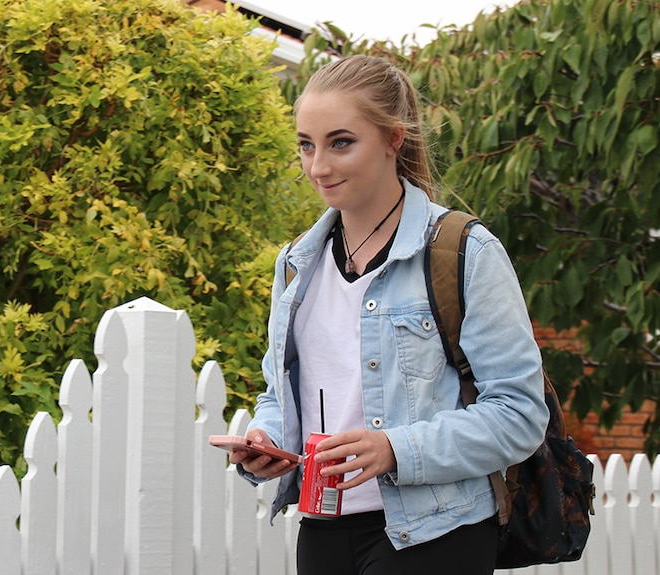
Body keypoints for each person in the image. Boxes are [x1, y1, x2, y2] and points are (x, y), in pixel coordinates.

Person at [228, 55, 549, 574]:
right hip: (323, 524)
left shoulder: (463, 251)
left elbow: (519, 413)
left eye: (341, 142)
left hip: (436, 532)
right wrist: (268, 441)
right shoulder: (295, 264)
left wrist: (394, 449)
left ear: (393, 139)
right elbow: (278, 394)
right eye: (306, 145)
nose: (318, 166)